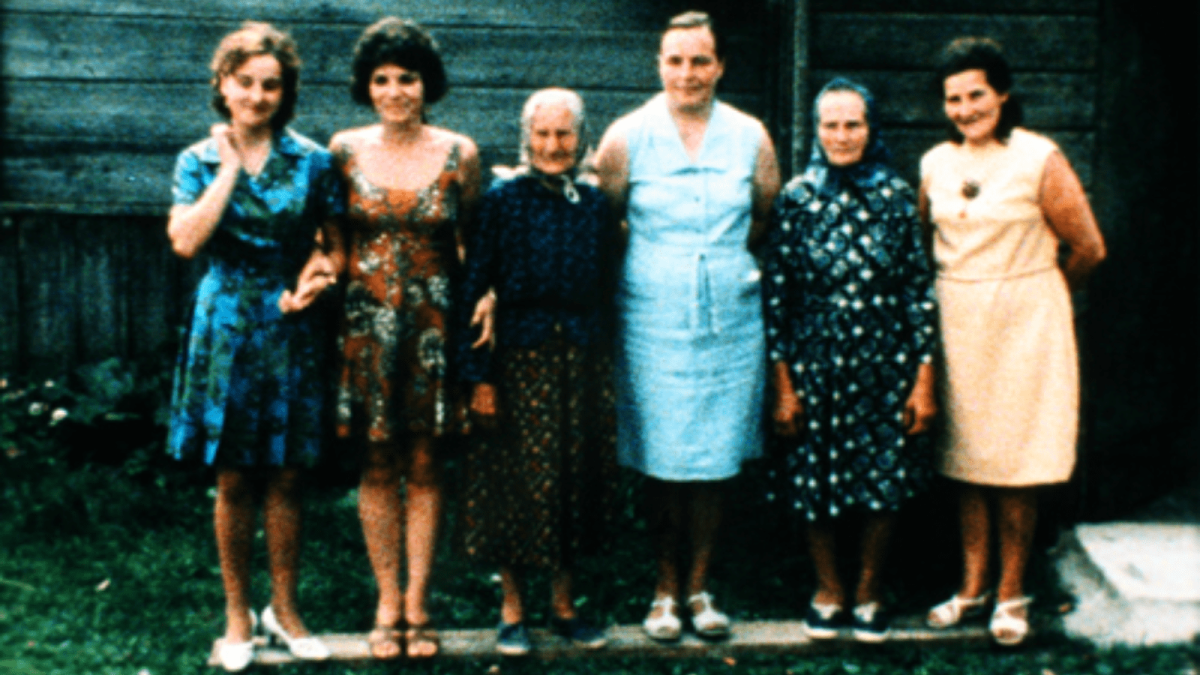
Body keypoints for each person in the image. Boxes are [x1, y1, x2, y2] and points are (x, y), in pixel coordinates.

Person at [594, 10, 781, 641]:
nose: (688, 73)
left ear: (721, 66)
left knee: (714, 456)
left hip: (729, 315)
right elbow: (609, 223)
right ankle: (662, 589)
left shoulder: (751, 135)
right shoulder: (627, 136)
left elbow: (762, 218)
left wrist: (720, 264)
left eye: (701, 60)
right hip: (651, 313)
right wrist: (661, 272)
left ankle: (699, 587)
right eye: (675, 60)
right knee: (661, 457)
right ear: (659, 64)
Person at [166, 21, 341, 672]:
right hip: (227, 324)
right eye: (246, 82)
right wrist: (232, 167)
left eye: (272, 84)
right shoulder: (197, 160)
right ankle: (238, 612)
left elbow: (333, 243)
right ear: (223, 84)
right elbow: (186, 240)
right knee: (235, 475)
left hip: (290, 320)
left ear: (285, 91)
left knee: (289, 474)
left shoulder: (314, 160)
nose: (259, 96)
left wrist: (317, 274)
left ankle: (285, 609)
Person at [919, 37, 1106, 646]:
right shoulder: (935, 164)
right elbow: (926, 242)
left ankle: (1012, 592)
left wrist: (1040, 296)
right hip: (959, 320)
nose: (966, 108)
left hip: (1026, 323)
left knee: (1017, 462)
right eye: (954, 98)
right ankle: (972, 588)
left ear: (1002, 93)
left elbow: (1088, 248)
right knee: (967, 458)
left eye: (977, 94)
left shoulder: (1037, 156)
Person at [762, 77, 939, 643]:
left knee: (881, 477)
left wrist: (923, 378)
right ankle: (828, 588)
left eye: (852, 124)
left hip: (884, 364)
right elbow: (778, 299)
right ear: (816, 131)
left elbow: (919, 289)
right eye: (830, 124)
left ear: (871, 128)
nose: (841, 135)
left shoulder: (894, 197)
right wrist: (783, 385)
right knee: (815, 477)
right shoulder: (796, 197)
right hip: (814, 365)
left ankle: (868, 590)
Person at [328, 17, 481, 660]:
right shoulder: (342, 150)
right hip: (367, 329)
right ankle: (385, 599)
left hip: (434, 330)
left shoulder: (460, 153)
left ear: (428, 84)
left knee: (424, 464)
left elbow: (475, 246)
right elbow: (332, 240)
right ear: (367, 86)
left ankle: (419, 602)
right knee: (377, 462)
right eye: (382, 79)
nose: (395, 91)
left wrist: (488, 301)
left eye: (408, 78)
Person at [458, 88, 618, 657]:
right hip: (516, 361)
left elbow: (605, 287)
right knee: (514, 482)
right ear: (526, 138)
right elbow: (476, 284)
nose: (554, 145)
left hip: (578, 359)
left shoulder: (595, 205)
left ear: (581, 139)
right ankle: (512, 609)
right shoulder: (503, 200)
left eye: (565, 134)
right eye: (543, 134)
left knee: (572, 480)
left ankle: (564, 604)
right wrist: (479, 377)